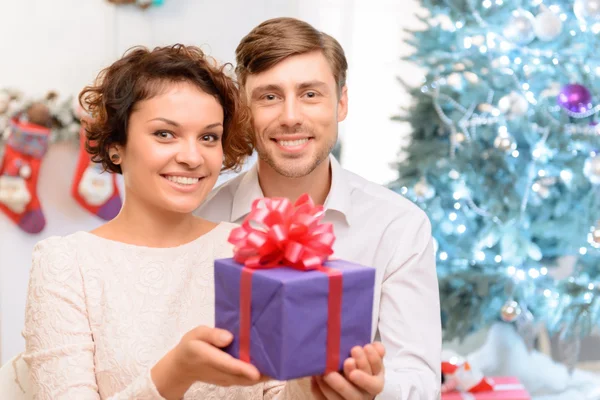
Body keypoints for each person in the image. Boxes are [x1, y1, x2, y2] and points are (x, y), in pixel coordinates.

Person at [21, 44, 384, 400]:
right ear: (117, 145)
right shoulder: (67, 264)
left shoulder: (248, 248)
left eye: (209, 137)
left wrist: (321, 388)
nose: (193, 157)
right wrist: (176, 373)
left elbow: (276, 391)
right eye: (165, 134)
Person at [197, 17, 442, 399]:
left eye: (310, 94)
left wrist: (375, 388)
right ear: (245, 110)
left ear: (341, 103)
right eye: (269, 96)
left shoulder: (398, 226)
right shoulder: (201, 219)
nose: (291, 116)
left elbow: (419, 380)